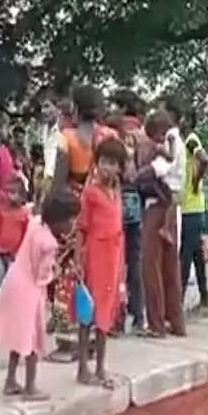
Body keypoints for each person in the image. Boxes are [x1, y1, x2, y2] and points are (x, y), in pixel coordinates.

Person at [0, 192, 78, 400]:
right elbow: (42, 276)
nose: (73, 224)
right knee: (32, 340)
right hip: (30, 291)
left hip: (15, 281)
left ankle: (10, 380)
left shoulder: (36, 225)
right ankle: (30, 386)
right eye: (71, 219)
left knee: (18, 337)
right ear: (60, 220)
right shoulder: (49, 244)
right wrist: (57, 271)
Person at [49, 85, 115, 354]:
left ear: (75, 108)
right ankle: (94, 335)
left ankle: (69, 340)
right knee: (96, 275)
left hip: (74, 209)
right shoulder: (109, 136)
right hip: (102, 211)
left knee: (70, 273)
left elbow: (58, 183)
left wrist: (50, 215)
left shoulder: (68, 138)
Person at [76, 138, 125, 387]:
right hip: (94, 255)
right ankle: (83, 368)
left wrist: (122, 268)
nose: (108, 168)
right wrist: (77, 262)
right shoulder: (91, 193)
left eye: (113, 163)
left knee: (106, 314)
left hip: (113, 257)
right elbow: (81, 229)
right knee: (88, 313)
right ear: (97, 164)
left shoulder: (116, 192)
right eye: (104, 162)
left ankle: (100, 367)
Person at [135, 110, 185, 338]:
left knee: (151, 267)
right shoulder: (179, 141)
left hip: (158, 207)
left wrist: (134, 175)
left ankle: (156, 323)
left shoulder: (169, 141)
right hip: (172, 208)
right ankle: (175, 321)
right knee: (170, 267)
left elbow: (157, 170)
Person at [116, 91, 146, 333]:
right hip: (137, 201)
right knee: (134, 261)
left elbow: (126, 172)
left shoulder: (119, 134)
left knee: (117, 262)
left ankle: (117, 316)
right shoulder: (144, 134)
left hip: (118, 198)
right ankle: (138, 315)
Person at [177, 107, 208, 309]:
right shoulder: (185, 141)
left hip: (190, 208)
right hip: (193, 206)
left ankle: (179, 299)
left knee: (186, 255)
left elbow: (205, 159)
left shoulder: (191, 140)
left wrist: (196, 180)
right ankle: (204, 295)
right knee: (197, 255)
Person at [0, 176, 31, 277]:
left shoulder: (25, 213)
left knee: (12, 277)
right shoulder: (2, 210)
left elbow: (25, 234)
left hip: (16, 255)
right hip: (1, 253)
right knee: (0, 279)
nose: (10, 196)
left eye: (14, 193)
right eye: (8, 192)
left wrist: (18, 251)